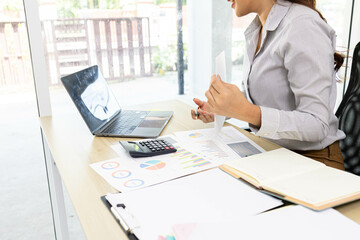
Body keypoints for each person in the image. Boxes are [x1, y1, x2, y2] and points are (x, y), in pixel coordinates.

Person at [191, 0, 346, 170]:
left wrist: (245, 111)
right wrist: (224, 108)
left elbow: (317, 124)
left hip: (314, 161)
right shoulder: (259, 27)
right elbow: (270, 95)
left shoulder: (302, 24)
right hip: (274, 153)